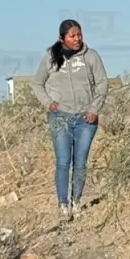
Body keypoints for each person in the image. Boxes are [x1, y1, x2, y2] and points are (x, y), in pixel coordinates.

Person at [30, 19, 109, 221]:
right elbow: (37, 83)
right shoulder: (50, 57)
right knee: (63, 161)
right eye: (72, 36)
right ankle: (62, 204)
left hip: (85, 118)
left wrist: (94, 108)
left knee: (80, 162)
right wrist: (49, 102)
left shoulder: (91, 57)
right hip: (60, 118)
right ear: (62, 38)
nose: (77, 39)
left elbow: (102, 83)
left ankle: (76, 201)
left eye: (79, 35)